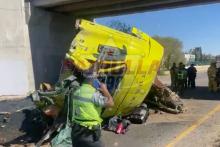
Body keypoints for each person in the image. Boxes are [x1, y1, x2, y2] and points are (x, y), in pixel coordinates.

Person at [71, 70, 114, 147]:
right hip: (89, 132)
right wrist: (105, 90)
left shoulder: (77, 91)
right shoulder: (93, 94)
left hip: (76, 130)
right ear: (93, 81)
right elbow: (111, 103)